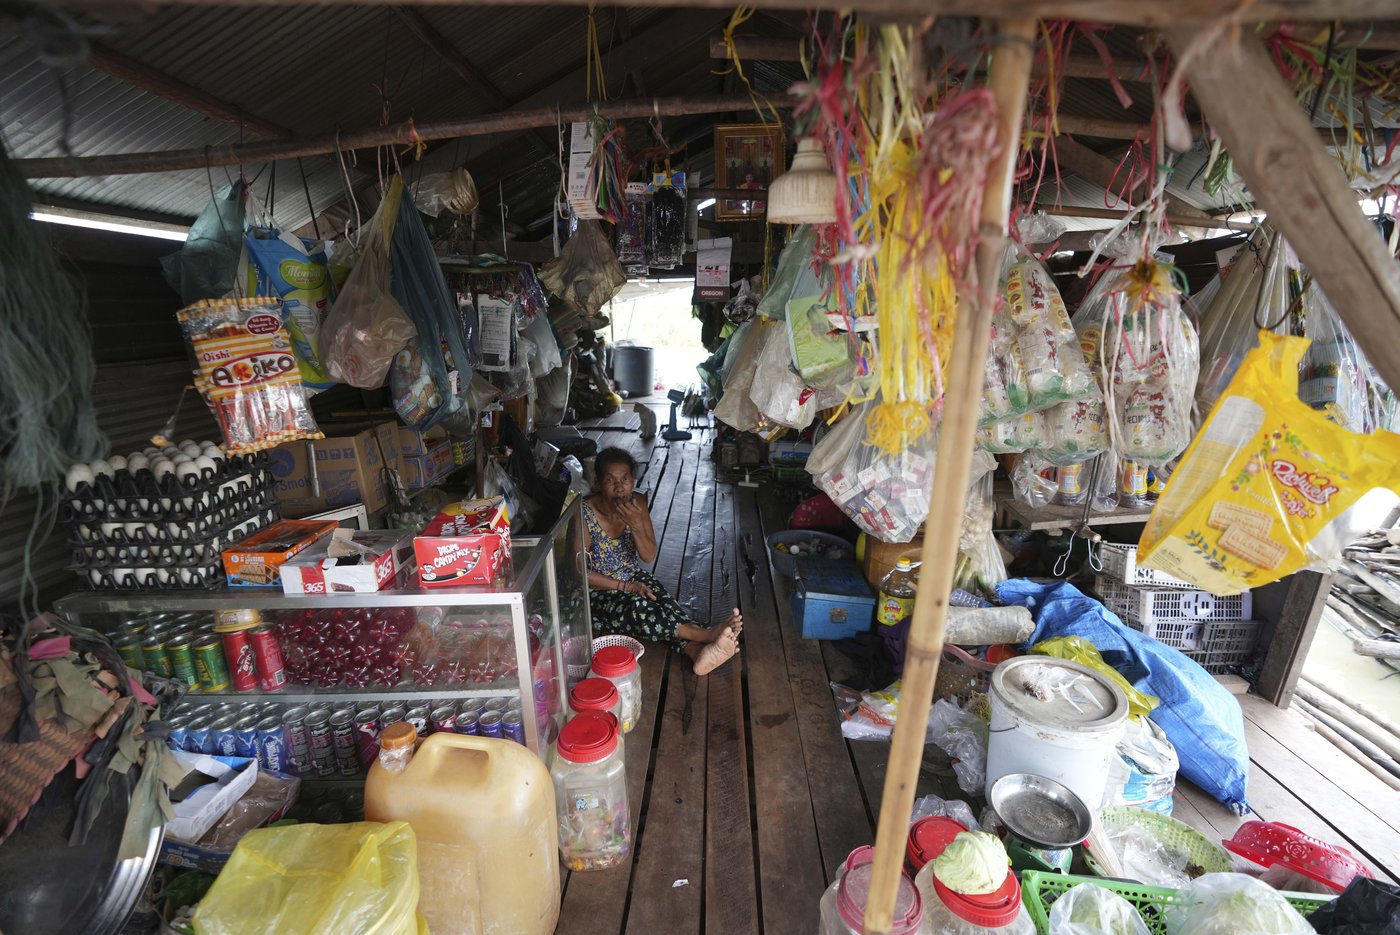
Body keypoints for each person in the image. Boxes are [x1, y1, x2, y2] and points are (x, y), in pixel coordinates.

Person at [582, 447, 741, 675]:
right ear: (598, 483)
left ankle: (696, 653)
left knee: (663, 603)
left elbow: (648, 555)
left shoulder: (637, 503)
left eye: (625, 479)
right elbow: (579, 572)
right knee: (638, 608)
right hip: (595, 591)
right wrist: (625, 587)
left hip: (632, 576)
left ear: (633, 480)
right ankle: (705, 634)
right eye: (610, 480)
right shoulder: (584, 512)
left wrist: (635, 524)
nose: (619, 486)